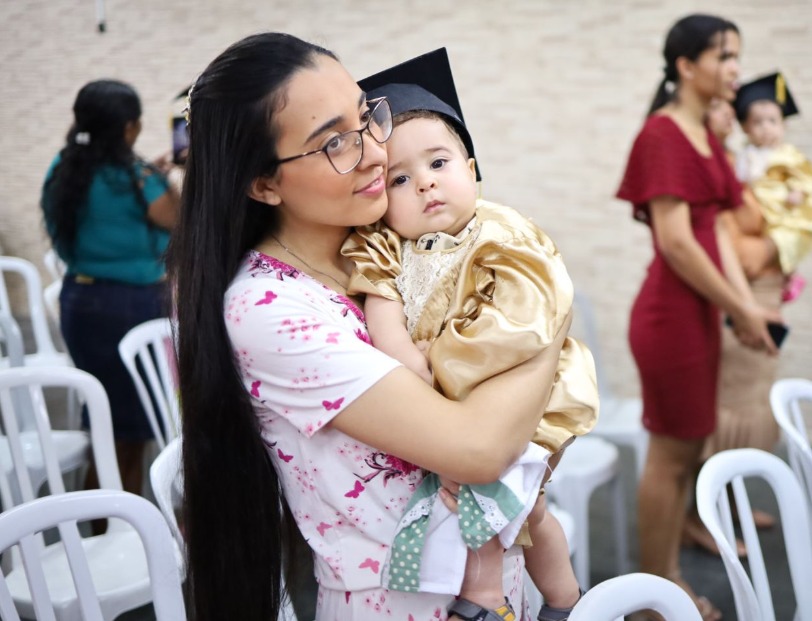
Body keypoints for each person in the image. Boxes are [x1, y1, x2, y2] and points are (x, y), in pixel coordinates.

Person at [168, 32, 570, 621]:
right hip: (404, 602)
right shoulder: (269, 311)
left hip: (502, 576)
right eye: (334, 142)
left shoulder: (392, 242)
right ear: (263, 183)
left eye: (366, 116)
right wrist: (548, 299)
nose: (377, 152)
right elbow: (479, 448)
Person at [341, 49, 596, 620]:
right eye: (400, 178)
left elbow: (520, 318)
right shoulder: (383, 247)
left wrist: (441, 358)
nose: (426, 185)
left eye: (439, 164)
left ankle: (536, 598)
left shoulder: (500, 233)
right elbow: (381, 314)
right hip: (441, 398)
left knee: (500, 505)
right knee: (510, 509)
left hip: (518, 388)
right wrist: (412, 363)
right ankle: (553, 601)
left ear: (473, 169)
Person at [615, 14, 781, 621]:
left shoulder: (704, 133)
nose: (736, 68)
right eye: (724, 56)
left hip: (700, 315)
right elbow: (679, 244)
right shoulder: (663, 133)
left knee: (687, 450)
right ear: (686, 66)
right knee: (670, 452)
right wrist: (740, 307)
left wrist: (748, 310)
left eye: (737, 55)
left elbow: (717, 231)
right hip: (670, 317)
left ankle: (673, 552)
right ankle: (654, 596)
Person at [41, 79, 179, 496]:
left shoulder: (63, 168)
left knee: (103, 421)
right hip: (130, 307)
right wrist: (160, 177)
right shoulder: (135, 177)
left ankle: (98, 524)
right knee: (131, 434)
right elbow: (176, 218)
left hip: (80, 303)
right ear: (127, 128)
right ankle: (122, 526)